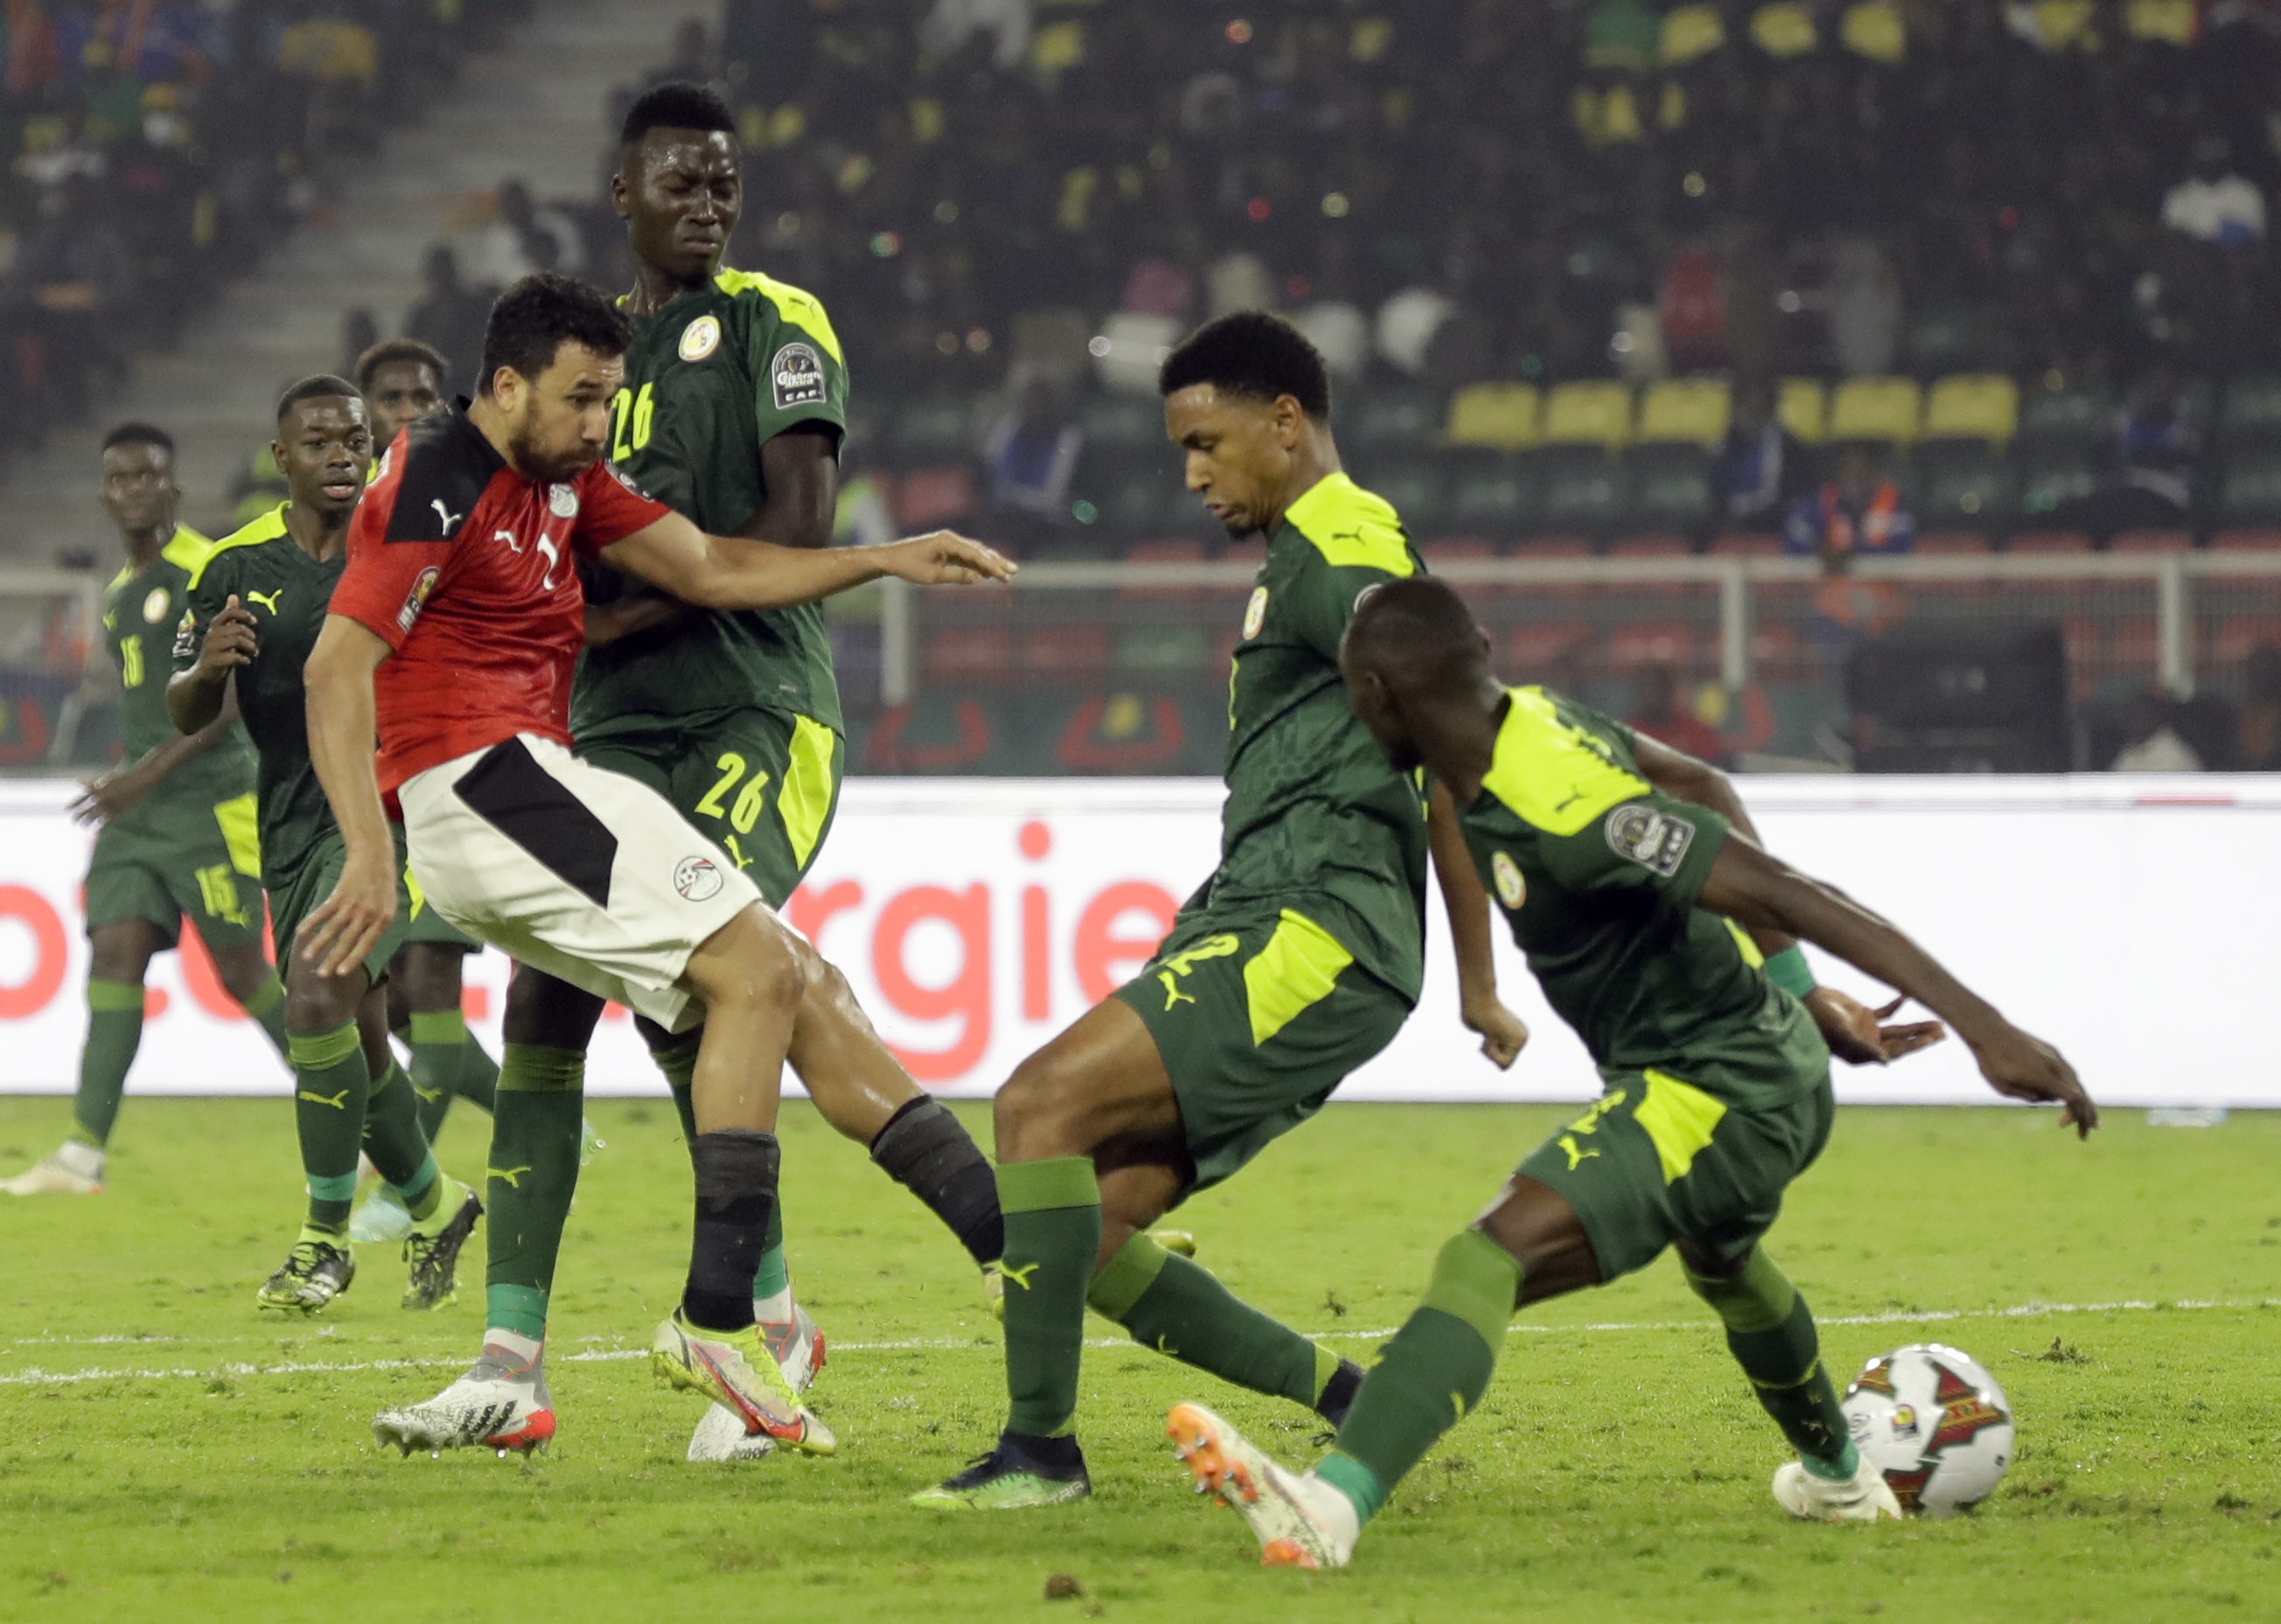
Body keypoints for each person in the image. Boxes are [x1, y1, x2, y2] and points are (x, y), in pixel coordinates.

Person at [1166, 576, 2098, 1569]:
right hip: (1732, 1065)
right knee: (1726, 1269)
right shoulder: (1518, 729)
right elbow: (1706, 785)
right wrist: (1798, 992)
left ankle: (1333, 1509)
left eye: (1352, 692)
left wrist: (1985, 1030)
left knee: (1488, 1257)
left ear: (1382, 696)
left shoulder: (1573, 811)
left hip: (1723, 1084)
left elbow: (1786, 886)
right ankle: (1840, 1481)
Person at [292, 272, 1012, 1458]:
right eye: (579, 401)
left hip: (535, 780)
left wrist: (887, 559)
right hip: (479, 791)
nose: (596, 426)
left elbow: (718, 568)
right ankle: (721, 1315)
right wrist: (371, 853)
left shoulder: (565, 479)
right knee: (751, 976)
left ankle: (1004, 1244)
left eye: (609, 402)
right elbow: (337, 668)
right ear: (508, 383)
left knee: (794, 977)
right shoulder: (435, 471)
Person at [916, 312, 1529, 1510]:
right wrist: (1470, 982)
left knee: (1037, 1103)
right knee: (1075, 1231)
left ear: (1285, 424)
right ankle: (1349, 1394)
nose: (1193, 472)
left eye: (1208, 442)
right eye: (1181, 449)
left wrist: (1484, 973)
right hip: (1268, 911)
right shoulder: (1303, 552)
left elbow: (1457, 721)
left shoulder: (1344, 536)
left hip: (1315, 926)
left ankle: (1040, 1456)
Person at [499, 81, 1013, 1466]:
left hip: (753, 716)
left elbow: (788, 525)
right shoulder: (590, 364)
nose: (708, 201)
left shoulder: (780, 323)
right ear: (624, 194)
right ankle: (512, 1359)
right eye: (681, 181)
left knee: (714, 970)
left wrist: (615, 612)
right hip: (609, 724)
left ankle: (753, 1317)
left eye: (725, 181)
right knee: (556, 993)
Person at [168, 377, 480, 1312]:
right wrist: (207, 665)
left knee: (313, 996)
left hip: (396, 808)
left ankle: (323, 1243)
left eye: (355, 440)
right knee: (362, 1047)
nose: (342, 455)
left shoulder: (407, 548)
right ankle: (437, 1203)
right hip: (293, 818)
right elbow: (182, 710)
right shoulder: (232, 566)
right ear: (284, 461)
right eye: (320, 444)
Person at [1, 424, 291, 1197]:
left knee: (240, 970)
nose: (134, 488)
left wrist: (144, 774)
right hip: (136, 813)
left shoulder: (206, 569)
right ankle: (82, 1154)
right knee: (114, 952)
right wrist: (130, 777)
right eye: (121, 477)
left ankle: (362, 1118)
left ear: (174, 487)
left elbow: (229, 700)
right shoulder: (122, 592)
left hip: (208, 802)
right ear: (105, 493)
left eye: (148, 475)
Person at [347, 336, 513, 1240]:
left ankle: (401, 1198)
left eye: (422, 392)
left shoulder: (466, 500)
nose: (408, 406)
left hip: (451, 771)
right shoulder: (348, 511)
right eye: (390, 394)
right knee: (402, 1001)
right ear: (362, 409)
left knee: (427, 981)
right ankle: (551, 1121)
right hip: (367, 786)